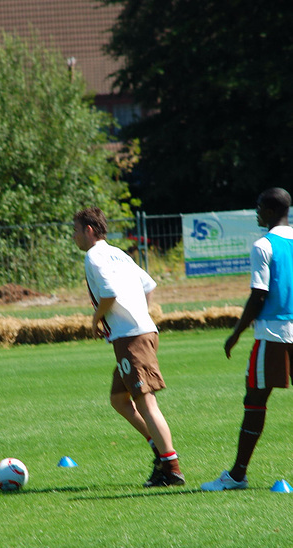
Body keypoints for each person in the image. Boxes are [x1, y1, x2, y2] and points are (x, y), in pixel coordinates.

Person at [73, 206, 185, 487]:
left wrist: (96, 319)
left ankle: (171, 468)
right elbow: (148, 284)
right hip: (141, 333)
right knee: (119, 399)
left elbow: (109, 294)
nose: (74, 236)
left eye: (75, 230)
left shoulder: (93, 255)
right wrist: (139, 314)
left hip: (131, 339)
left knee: (146, 403)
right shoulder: (119, 254)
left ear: (88, 230)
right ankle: (159, 451)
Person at [202, 187, 293, 491]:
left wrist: (236, 333)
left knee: (254, 400)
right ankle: (237, 474)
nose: (255, 212)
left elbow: (259, 295)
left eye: (258, 207)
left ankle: (238, 475)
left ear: (268, 211)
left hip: (273, 334)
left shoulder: (263, 245)